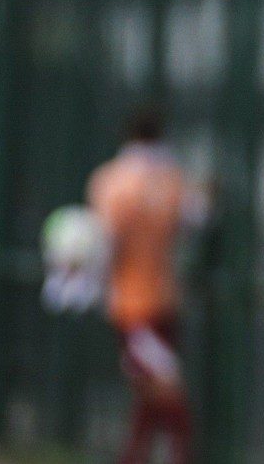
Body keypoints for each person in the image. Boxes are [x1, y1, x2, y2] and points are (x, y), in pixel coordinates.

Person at [88, 106, 195, 464]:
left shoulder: (110, 181)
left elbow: (102, 242)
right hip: (162, 302)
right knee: (159, 388)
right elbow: (196, 218)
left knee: (156, 391)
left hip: (131, 305)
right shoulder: (174, 179)